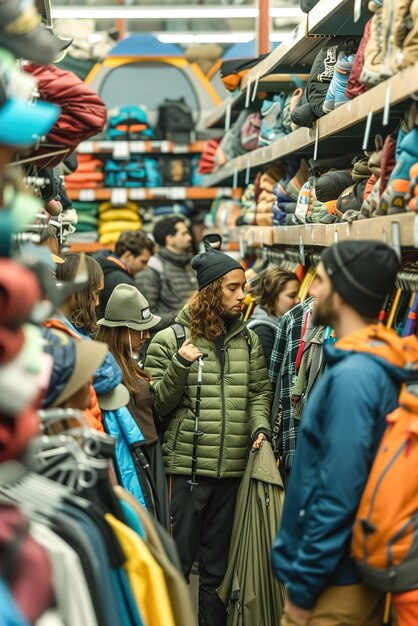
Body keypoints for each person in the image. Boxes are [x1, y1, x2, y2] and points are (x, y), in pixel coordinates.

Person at [271, 240, 418, 626]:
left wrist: (302, 592)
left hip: (334, 586)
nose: (311, 291)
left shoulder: (354, 378)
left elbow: (337, 494)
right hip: (340, 575)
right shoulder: (375, 359)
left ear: (343, 290)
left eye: (319, 280)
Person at [145, 242, 272, 626]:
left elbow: (259, 391)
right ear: (211, 289)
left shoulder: (247, 339)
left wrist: (260, 426)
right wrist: (180, 364)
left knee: (217, 572)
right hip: (186, 472)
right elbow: (158, 406)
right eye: (233, 287)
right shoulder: (171, 338)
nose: (242, 295)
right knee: (177, 565)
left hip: (232, 474)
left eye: (244, 286)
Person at [95, 283, 170, 529]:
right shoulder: (106, 370)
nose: (147, 335)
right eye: (140, 330)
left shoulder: (128, 363)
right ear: (122, 330)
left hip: (149, 451)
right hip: (130, 457)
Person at [135, 216, 198, 329]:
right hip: (170, 341)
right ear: (170, 239)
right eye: (184, 234)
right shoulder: (153, 270)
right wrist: (180, 317)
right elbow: (145, 317)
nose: (189, 238)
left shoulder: (191, 264)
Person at [247, 268, 300, 369]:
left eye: (298, 295)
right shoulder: (262, 331)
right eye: (292, 295)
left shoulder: (272, 321)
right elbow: (269, 378)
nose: (298, 300)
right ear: (272, 295)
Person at [94, 230, 154, 316]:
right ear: (128, 255)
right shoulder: (124, 284)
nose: (146, 267)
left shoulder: (102, 265)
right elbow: (141, 318)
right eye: (143, 262)